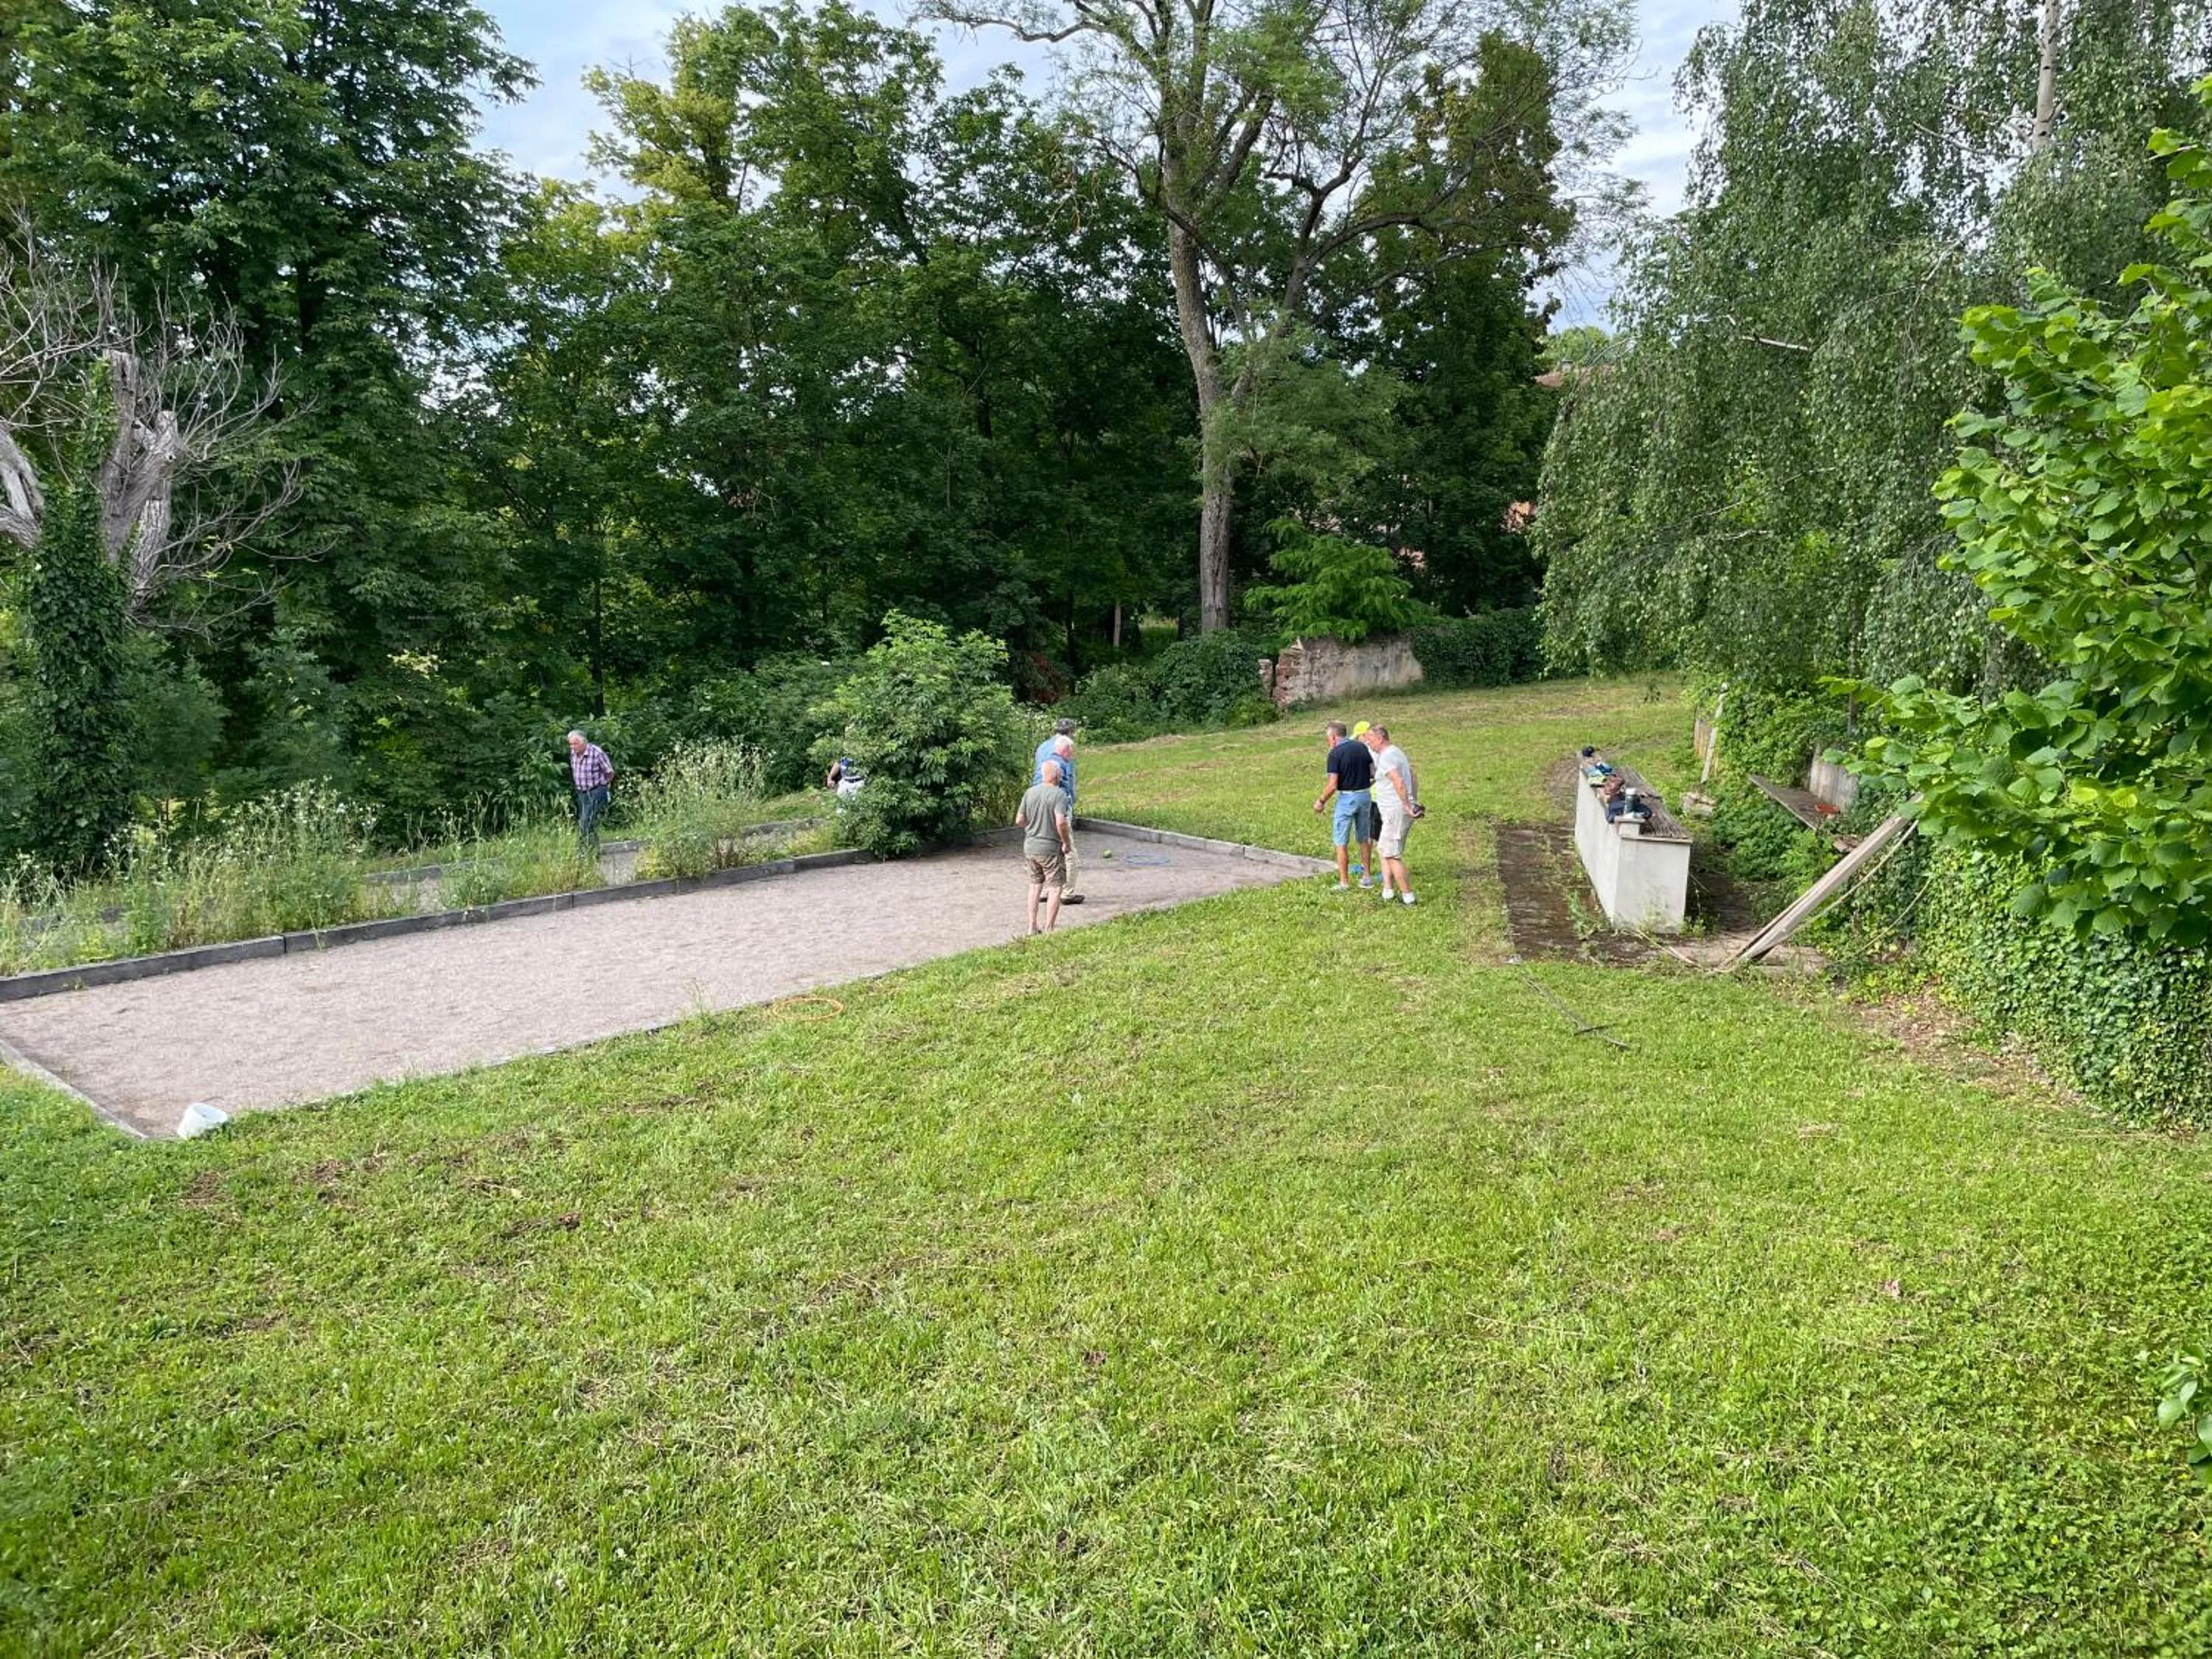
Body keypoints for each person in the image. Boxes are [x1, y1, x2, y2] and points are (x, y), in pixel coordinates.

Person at [1312, 720, 1377, 890]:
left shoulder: (1335, 754)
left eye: (1328, 739)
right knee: (1364, 838)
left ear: (1333, 737)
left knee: (1341, 840)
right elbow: (1373, 772)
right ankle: (1367, 877)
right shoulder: (1361, 747)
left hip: (1347, 798)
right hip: (1364, 796)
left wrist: (1321, 801)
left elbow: (1333, 785)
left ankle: (1344, 882)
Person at [1016, 756, 1075, 934]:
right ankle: (1049, 929)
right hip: (1050, 849)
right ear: (1057, 776)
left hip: (1030, 847)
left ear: (1043, 776)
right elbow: (1061, 823)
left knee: (1035, 886)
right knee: (1056, 887)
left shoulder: (1030, 793)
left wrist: (1034, 824)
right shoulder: (1060, 795)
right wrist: (1066, 843)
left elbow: (1019, 820)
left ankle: (1032, 927)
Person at [1365, 722, 1421, 905]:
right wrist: (1413, 800)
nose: (1368, 742)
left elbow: (1399, 782)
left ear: (1380, 739)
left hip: (1395, 812)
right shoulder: (1396, 752)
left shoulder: (1388, 756)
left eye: (1370, 738)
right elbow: (1412, 776)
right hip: (1394, 810)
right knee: (1384, 848)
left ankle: (1408, 897)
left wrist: (1406, 805)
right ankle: (1388, 892)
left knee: (1391, 854)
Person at [1032, 719, 1083, 903]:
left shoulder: (1041, 747)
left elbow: (1036, 774)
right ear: (1071, 732)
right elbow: (1068, 782)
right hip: (1057, 803)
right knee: (1068, 848)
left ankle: (1048, 890)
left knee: (1048, 846)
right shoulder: (1065, 750)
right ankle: (1067, 893)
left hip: (1037, 800)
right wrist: (1071, 805)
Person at [566, 730, 614, 852]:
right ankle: (594, 850)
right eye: (571, 744)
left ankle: (582, 851)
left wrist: (604, 787)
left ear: (584, 742)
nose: (572, 747)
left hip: (596, 790)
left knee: (586, 822)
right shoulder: (573, 753)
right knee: (588, 821)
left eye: (575, 744)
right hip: (582, 792)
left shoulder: (597, 753)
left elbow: (609, 772)